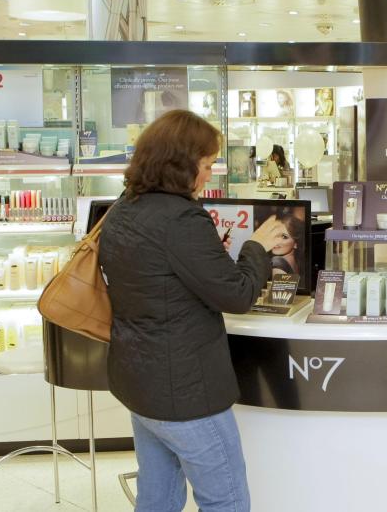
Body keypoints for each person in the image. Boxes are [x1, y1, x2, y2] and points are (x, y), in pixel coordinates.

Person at [99, 109, 287, 512]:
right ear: (179, 165)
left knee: (158, 498)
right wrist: (256, 247)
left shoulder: (122, 209)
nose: (210, 174)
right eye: (205, 165)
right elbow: (236, 294)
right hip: (185, 394)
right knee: (226, 502)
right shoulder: (181, 219)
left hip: (138, 385)